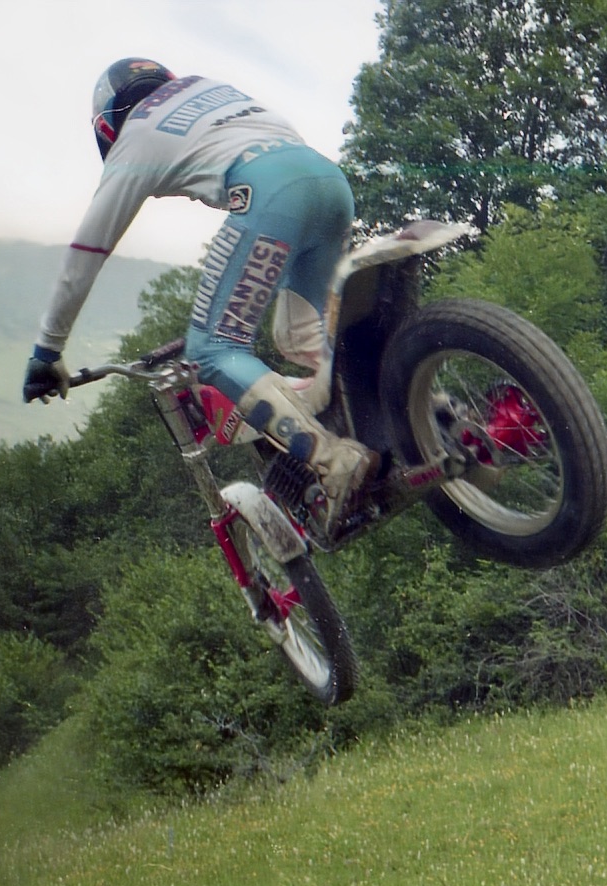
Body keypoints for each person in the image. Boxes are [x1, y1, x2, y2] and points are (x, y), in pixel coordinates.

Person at [23, 57, 374, 534]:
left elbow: (87, 250)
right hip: (330, 184)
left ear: (106, 127)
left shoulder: (135, 135)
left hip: (270, 194)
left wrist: (48, 351)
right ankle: (412, 411)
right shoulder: (208, 90)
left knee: (213, 349)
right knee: (300, 335)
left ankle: (335, 462)